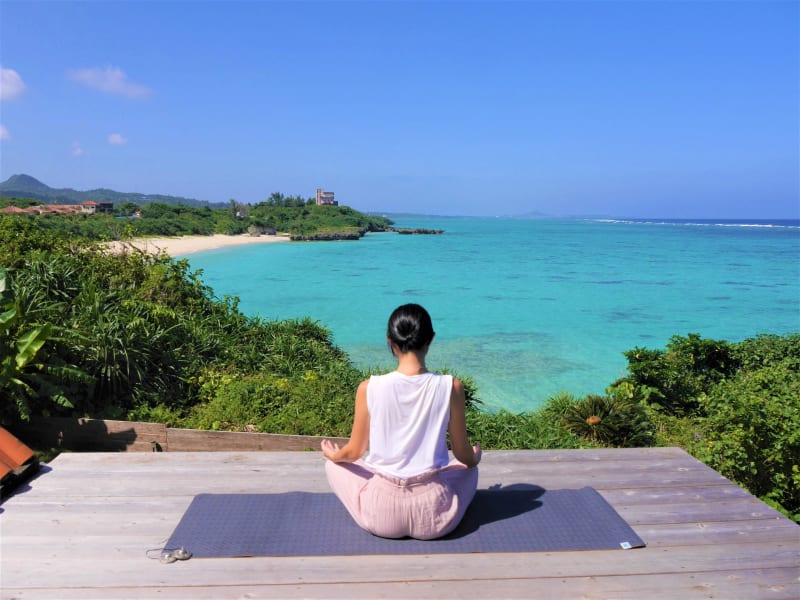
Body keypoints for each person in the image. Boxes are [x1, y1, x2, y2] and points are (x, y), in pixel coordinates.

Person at [321, 303, 482, 540]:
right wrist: (475, 457)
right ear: (431, 339)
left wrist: (334, 456)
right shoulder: (451, 387)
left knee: (333, 467)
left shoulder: (369, 388)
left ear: (390, 342)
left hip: (381, 513)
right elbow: (462, 453)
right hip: (435, 513)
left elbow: (355, 451)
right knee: (468, 471)